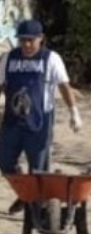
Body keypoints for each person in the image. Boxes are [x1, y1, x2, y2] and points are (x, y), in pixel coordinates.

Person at [0, 19, 83, 177]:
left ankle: (35, 192)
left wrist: (74, 112)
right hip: (12, 122)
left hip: (40, 122)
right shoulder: (9, 58)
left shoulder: (51, 59)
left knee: (39, 169)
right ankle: (23, 186)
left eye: (31, 40)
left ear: (41, 38)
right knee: (5, 162)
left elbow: (64, 86)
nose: (26, 45)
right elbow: (1, 85)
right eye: (22, 40)